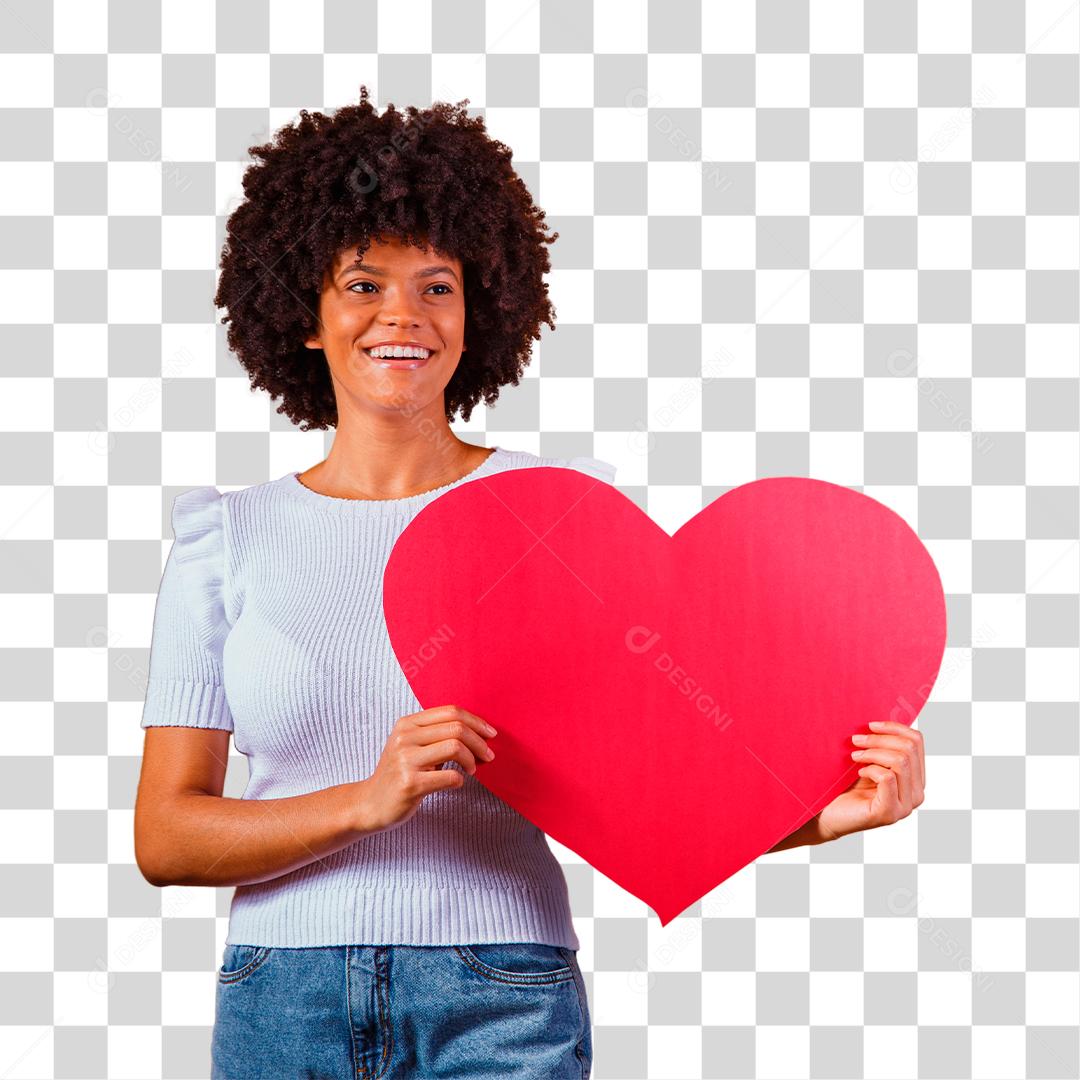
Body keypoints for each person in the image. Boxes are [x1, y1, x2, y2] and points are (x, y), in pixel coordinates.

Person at [134, 87, 600, 1078]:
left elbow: (648, 776)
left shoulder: (555, 516)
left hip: (502, 989)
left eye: (438, 286)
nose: (403, 316)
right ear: (304, 315)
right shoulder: (227, 540)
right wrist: (365, 800)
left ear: (479, 312)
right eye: (362, 283)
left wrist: (819, 816)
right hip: (280, 997)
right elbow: (166, 835)